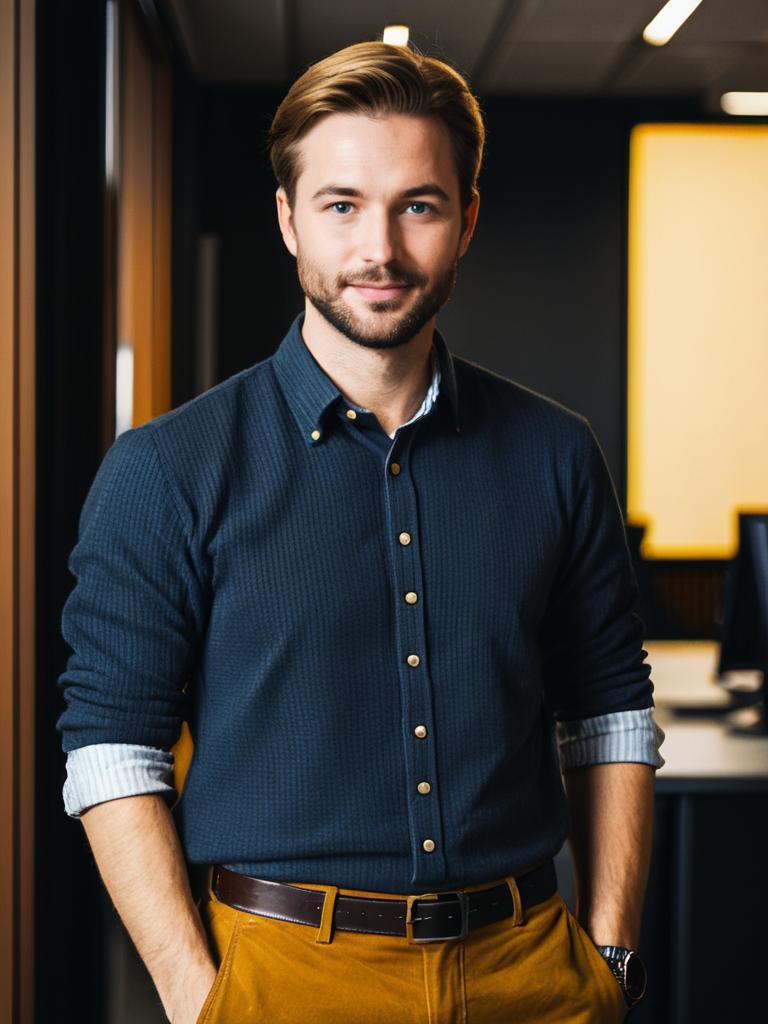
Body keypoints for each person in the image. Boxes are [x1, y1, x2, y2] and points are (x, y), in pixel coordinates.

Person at [57, 40, 663, 1024]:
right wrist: (191, 994)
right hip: (283, 977)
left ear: (465, 219)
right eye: (341, 205)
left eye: (417, 204)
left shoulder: (556, 454)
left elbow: (609, 714)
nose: (378, 249)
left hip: (533, 973)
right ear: (290, 220)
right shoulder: (167, 468)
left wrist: (611, 953)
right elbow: (110, 746)